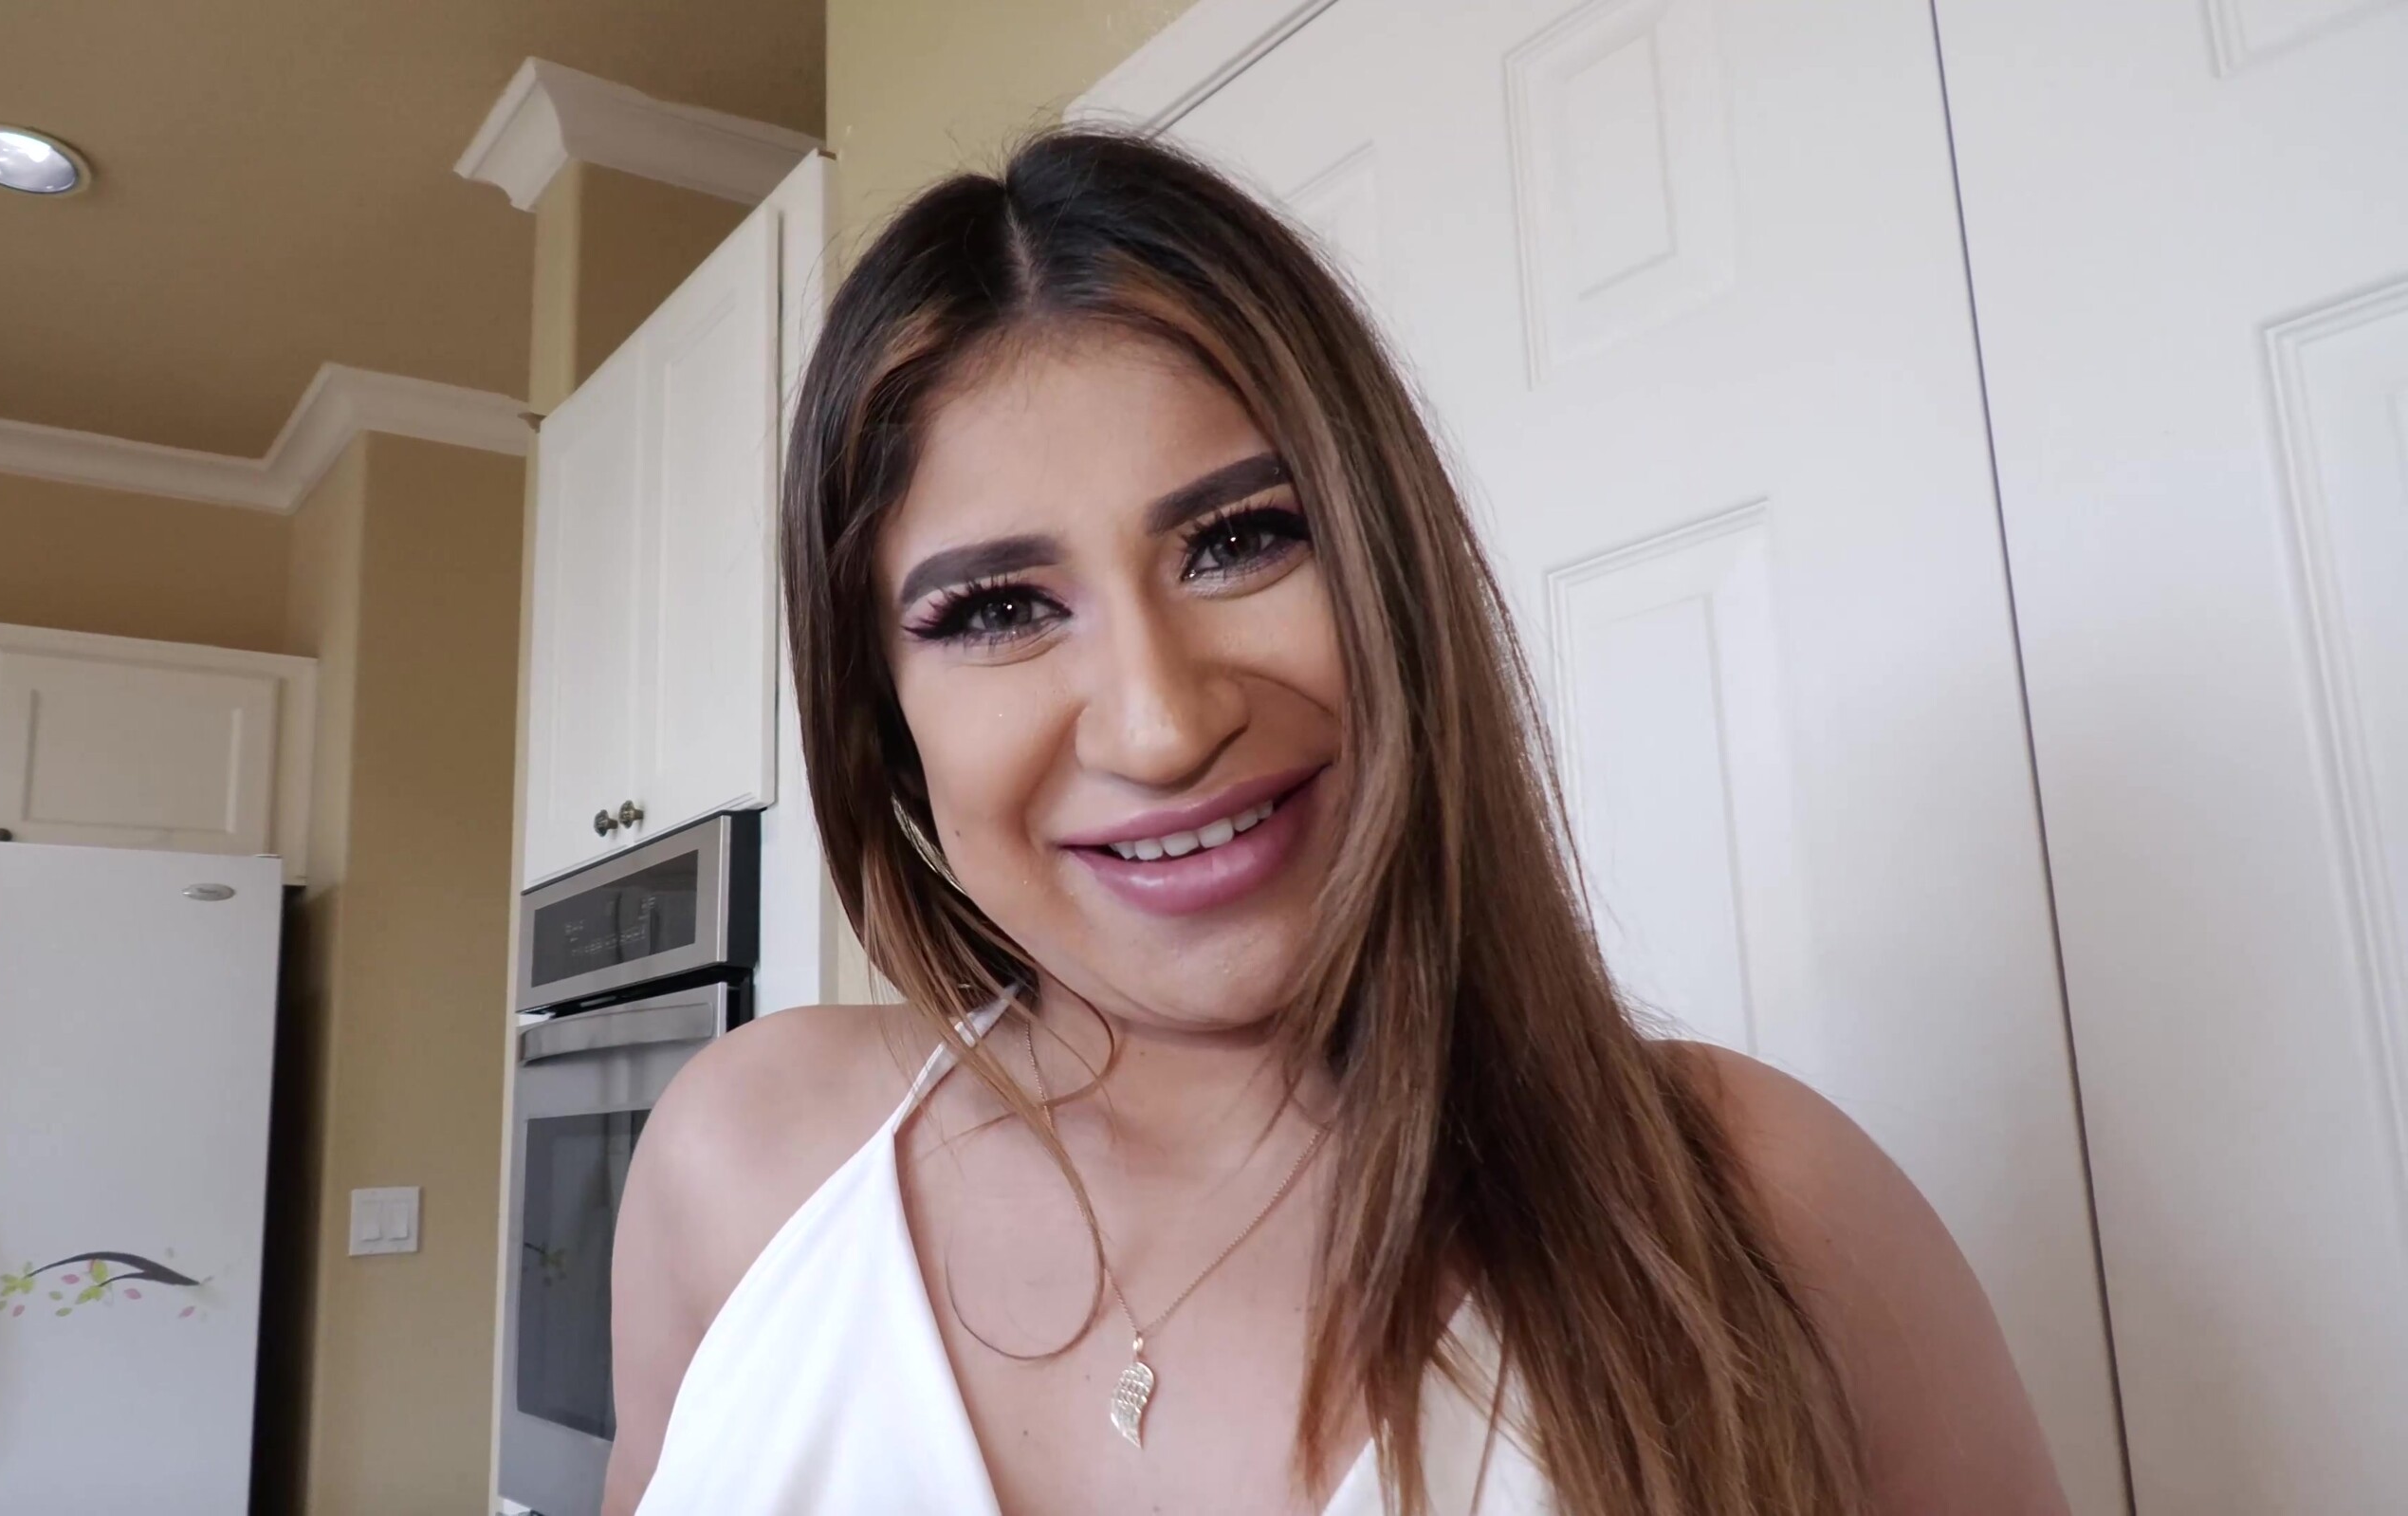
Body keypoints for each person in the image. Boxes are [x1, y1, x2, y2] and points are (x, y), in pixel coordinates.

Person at [600, 127, 2068, 1516]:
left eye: (1241, 539)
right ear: (883, 715)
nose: (1162, 724)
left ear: (1392, 574)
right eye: (995, 611)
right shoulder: (742, 1171)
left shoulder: (1768, 1208)